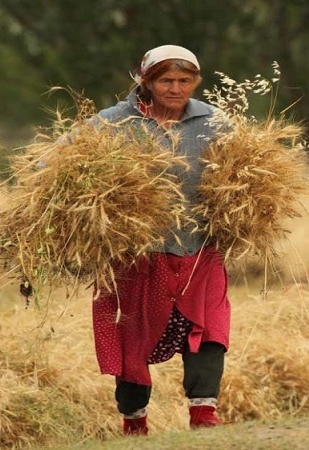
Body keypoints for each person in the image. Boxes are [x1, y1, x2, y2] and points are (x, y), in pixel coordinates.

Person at [90, 44, 231, 436]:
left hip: (199, 246)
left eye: (184, 81)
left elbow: (247, 167)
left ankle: (204, 415)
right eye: (165, 80)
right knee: (131, 333)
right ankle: (134, 421)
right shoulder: (113, 122)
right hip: (136, 253)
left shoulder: (215, 121)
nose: (175, 88)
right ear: (145, 81)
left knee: (208, 325)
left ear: (196, 82)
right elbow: (61, 162)